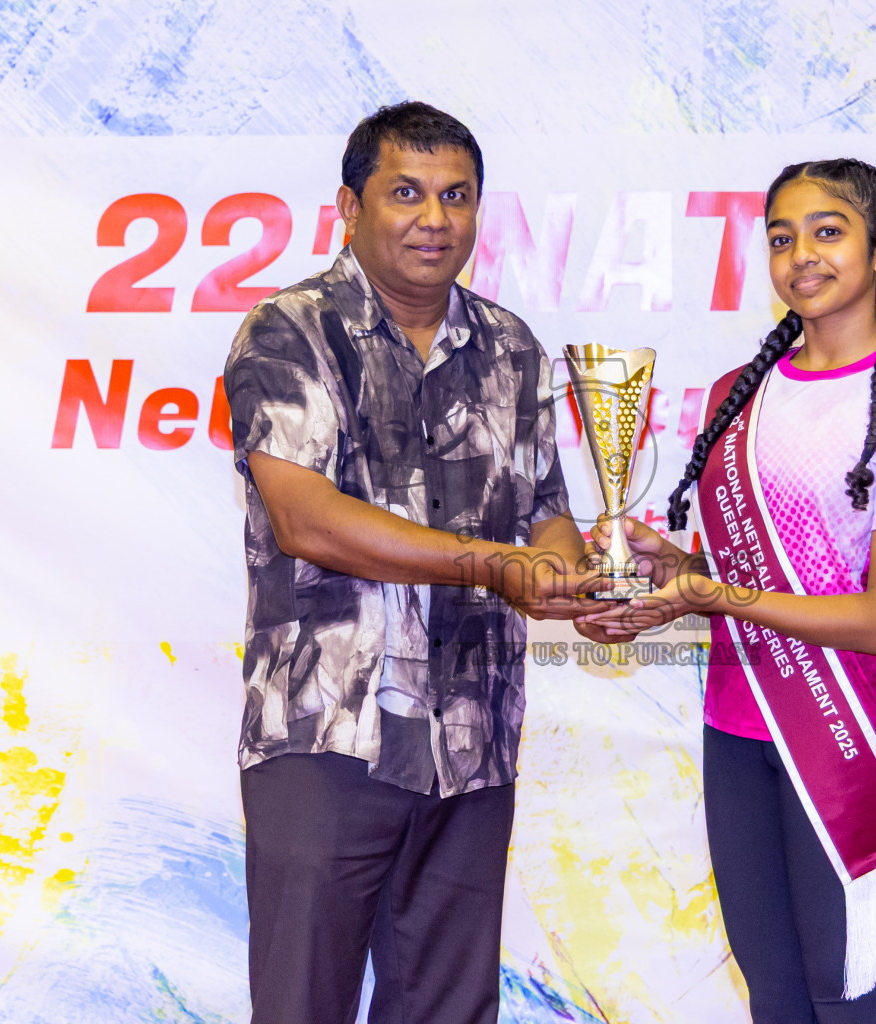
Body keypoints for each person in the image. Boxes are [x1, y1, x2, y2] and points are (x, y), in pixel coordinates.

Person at [223, 101, 611, 1024]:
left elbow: (545, 510)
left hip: (471, 741)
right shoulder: (289, 332)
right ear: (349, 209)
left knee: (450, 1010)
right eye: (406, 193)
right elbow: (308, 521)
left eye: (456, 196)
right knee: (300, 1007)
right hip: (328, 738)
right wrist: (495, 565)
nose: (434, 219)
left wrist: (570, 577)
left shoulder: (511, 345)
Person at [580, 158, 876, 1024]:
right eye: (782, 238)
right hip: (738, 722)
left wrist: (714, 596)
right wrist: (673, 571)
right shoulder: (733, 400)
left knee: (845, 989)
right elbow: (737, 574)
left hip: (850, 729)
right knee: (775, 991)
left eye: (829, 232)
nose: (802, 256)